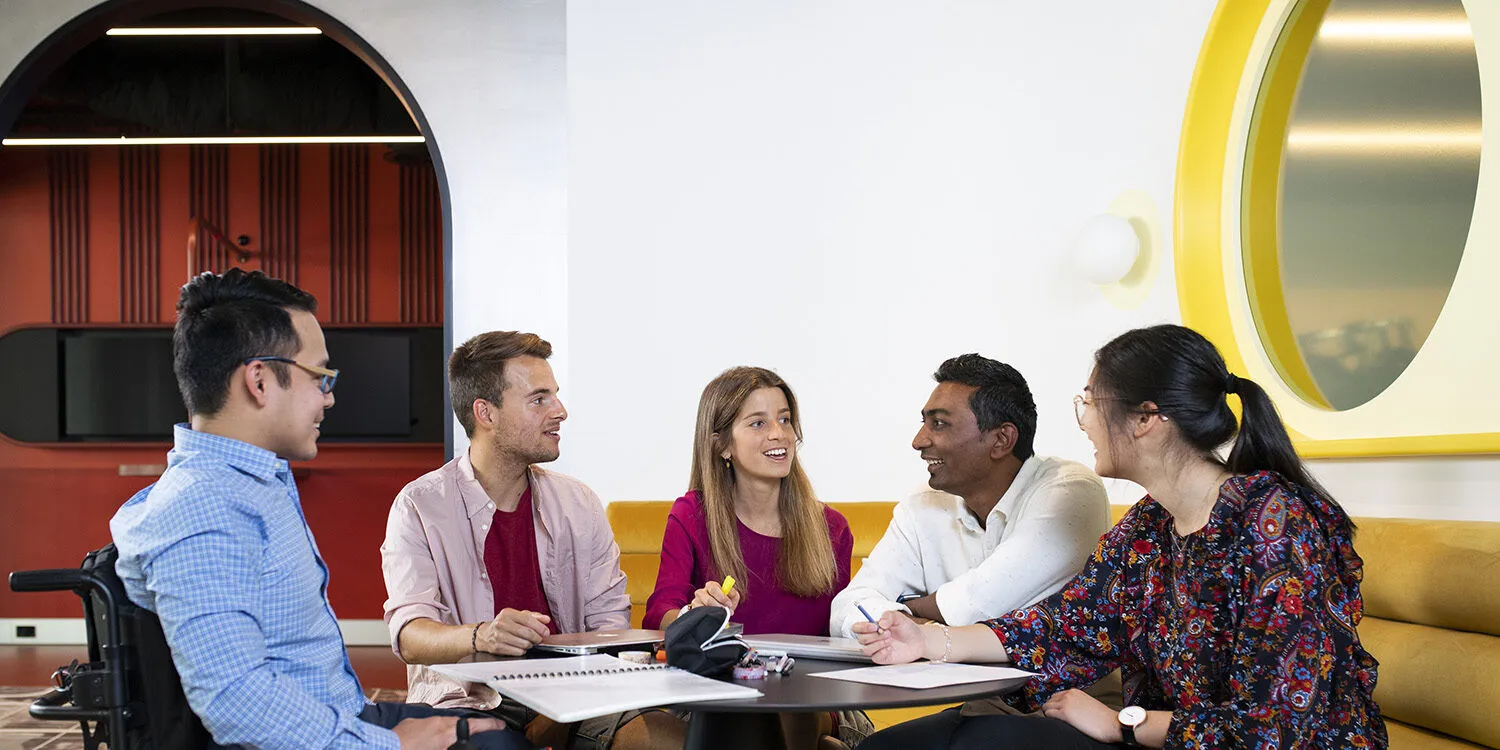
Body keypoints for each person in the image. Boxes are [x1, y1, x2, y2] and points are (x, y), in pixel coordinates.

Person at [854, 325, 1386, 749]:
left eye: (1090, 402)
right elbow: (1064, 629)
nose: (1083, 422)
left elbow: (1277, 727)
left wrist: (1122, 724)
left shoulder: (1275, 525)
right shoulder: (1149, 528)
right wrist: (927, 640)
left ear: (1147, 419)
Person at [111, 269, 523, 750]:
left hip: (335, 710)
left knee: (500, 725)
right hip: (311, 732)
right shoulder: (202, 510)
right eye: (320, 376)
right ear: (260, 381)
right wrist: (390, 745)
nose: (329, 396)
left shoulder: (244, 486)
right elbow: (236, 701)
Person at [380, 330, 633, 749]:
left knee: (662, 736)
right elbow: (410, 634)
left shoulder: (579, 502)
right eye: (539, 399)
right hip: (469, 702)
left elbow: (609, 622)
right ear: (486, 413)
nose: (561, 411)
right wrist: (481, 636)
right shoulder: (419, 506)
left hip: (577, 695)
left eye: (555, 395)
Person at [642, 366, 862, 749]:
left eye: (785, 419)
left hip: (815, 697)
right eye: (758, 423)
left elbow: (843, 630)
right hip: (720, 694)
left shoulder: (833, 528)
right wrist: (697, 617)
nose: (779, 433)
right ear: (722, 445)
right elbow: (660, 610)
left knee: (790, 715)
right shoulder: (692, 514)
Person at [829, 354, 1109, 638]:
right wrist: (916, 625)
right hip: (942, 681)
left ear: (1001, 440)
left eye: (939, 423)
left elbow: (982, 603)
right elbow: (846, 608)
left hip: (1057, 684)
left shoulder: (1072, 490)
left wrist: (904, 612)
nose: (918, 441)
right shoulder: (923, 501)